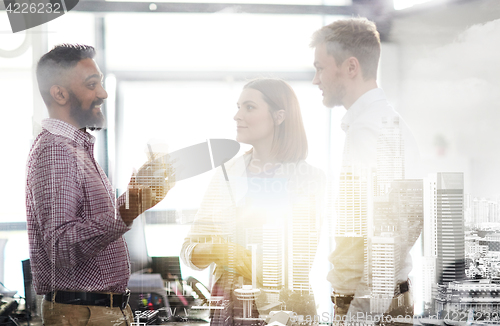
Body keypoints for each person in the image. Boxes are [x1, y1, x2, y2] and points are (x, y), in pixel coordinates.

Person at [26, 44, 173, 325]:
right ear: (59, 94)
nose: (103, 93)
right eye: (92, 85)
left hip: (97, 311)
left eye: (101, 83)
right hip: (83, 314)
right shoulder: (56, 149)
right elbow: (60, 247)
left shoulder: (75, 148)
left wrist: (137, 197)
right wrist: (126, 213)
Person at [180, 78, 325, 325]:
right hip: (228, 309)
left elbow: (297, 264)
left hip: (283, 310)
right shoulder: (226, 174)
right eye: (238, 107)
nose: (237, 116)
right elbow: (188, 251)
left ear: (279, 116)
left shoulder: (308, 179)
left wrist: (234, 255)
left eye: (249, 107)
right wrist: (217, 250)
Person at [310, 18, 422, 324]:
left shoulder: (369, 132)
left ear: (350, 67)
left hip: (371, 304)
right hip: (383, 299)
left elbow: (389, 236)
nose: (315, 80)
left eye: (320, 68)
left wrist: (356, 317)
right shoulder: (383, 123)